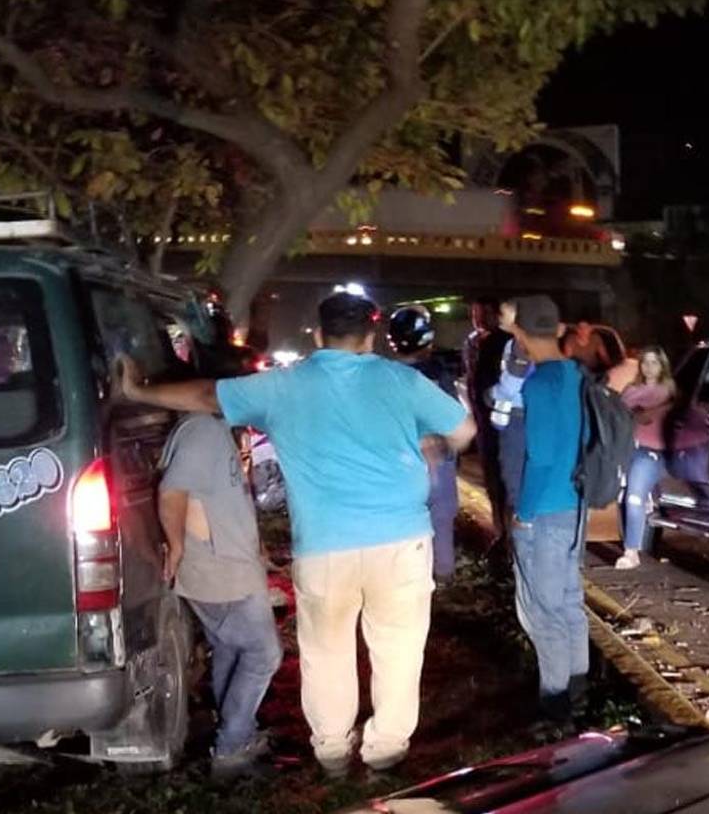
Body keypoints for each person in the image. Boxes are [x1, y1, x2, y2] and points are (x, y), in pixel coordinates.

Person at [120, 292, 476, 776]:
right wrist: (427, 443)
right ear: (371, 336)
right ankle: (386, 750)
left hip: (325, 547)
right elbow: (463, 430)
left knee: (327, 652)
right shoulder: (401, 380)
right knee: (398, 649)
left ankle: (332, 751)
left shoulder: (284, 386)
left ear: (318, 333)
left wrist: (139, 391)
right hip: (401, 541)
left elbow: (208, 396)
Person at [158, 412, 282, 776]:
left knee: (230, 646)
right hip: (220, 568)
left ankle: (234, 732)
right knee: (264, 654)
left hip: (229, 563)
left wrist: (255, 547)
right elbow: (172, 491)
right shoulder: (202, 431)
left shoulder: (213, 430)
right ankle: (232, 747)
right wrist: (177, 546)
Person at [507, 295, 588, 726]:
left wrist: (524, 512)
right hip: (575, 507)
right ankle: (578, 691)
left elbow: (538, 456)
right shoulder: (577, 375)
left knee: (544, 610)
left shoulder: (538, 385)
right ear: (558, 330)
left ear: (519, 333)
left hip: (545, 512)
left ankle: (555, 706)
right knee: (570, 602)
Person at [388, 305, 460, 583]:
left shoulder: (386, 375)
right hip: (439, 458)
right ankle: (443, 576)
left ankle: (407, 577)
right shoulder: (439, 374)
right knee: (441, 519)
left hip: (401, 460)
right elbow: (455, 418)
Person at [616, 347, 677, 571]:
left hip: (652, 451)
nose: (649, 367)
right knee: (626, 498)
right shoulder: (631, 391)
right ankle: (634, 540)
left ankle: (631, 552)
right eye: (645, 362)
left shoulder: (669, 391)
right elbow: (617, 416)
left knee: (634, 497)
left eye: (654, 362)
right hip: (629, 449)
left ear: (662, 365)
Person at [463, 298, 511, 546]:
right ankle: (500, 529)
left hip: (501, 418)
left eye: (483, 312)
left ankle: (507, 531)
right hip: (484, 418)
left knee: (505, 478)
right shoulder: (472, 341)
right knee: (493, 478)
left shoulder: (502, 341)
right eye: (474, 312)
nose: (478, 317)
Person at [488, 321, 534, 517]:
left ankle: (522, 538)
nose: (500, 318)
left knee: (516, 484)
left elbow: (509, 387)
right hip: (534, 416)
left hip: (518, 418)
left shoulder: (520, 344)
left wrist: (491, 394)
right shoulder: (547, 343)